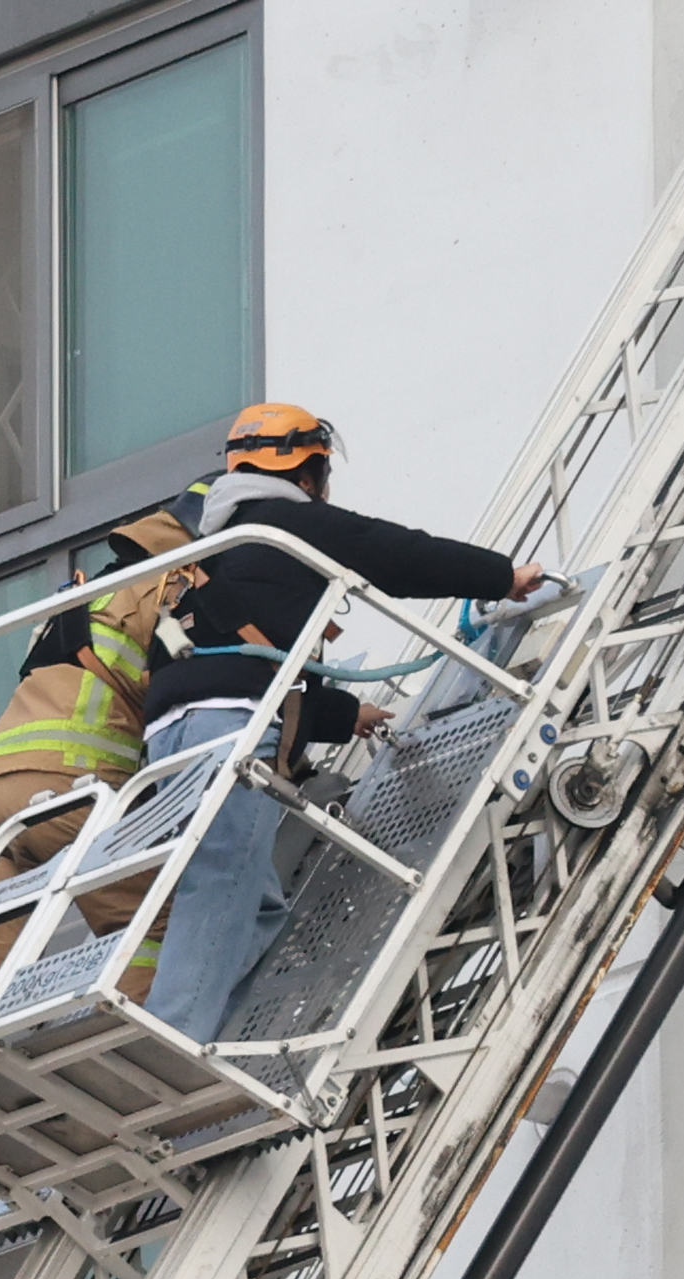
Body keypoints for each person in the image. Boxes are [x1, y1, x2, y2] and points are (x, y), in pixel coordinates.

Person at [139, 402, 544, 1042]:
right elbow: (392, 553)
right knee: (221, 882)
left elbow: (238, 655)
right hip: (230, 724)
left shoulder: (220, 545)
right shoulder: (286, 523)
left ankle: (215, 1038)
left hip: (171, 728)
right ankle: (173, 1040)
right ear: (309, 469)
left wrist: (344, 712)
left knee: (257, 902)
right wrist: (500, 576)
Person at [0, 507, 194, 1038]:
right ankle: (132, 1043)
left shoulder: (88, 591)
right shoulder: (173, 586)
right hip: (73, 784)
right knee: (152, 919)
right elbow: (182, 692)